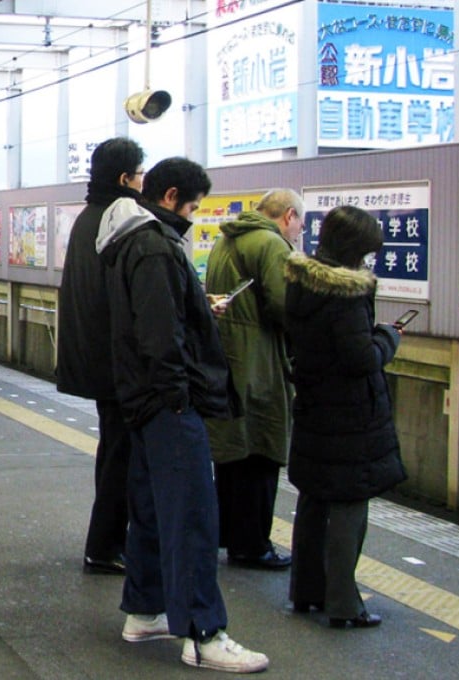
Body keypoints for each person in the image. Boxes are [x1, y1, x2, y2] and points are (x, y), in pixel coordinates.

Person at [98, 157, 268, 673]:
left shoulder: (128, 239)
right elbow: (158, 335)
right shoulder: (154, 245)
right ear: (170, 196)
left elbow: (158, 319)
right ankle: (202, 632)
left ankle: (146, 610)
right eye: (192, 205)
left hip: (142, 399)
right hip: (167, 402)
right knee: (192, 513)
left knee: (151, 508)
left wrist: (196, 304)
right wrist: (178, 396)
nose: (193, 216)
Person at [283, 205, 405, 629]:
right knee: (350, 503)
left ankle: (306, 592)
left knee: (315, 497)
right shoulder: (347, 296)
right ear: (355, 250)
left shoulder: (302, 283)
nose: (369, 262)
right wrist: (388, 338)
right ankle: (343, 604)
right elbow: (360, 359)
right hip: (348, 413)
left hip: (314, 404)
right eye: (368, 254)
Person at [56, 137, 145, 575]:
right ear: (126, 178)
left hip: (95, 356)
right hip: (115, 361)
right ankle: (105, 545)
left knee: (114, 449)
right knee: (120, 454)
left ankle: (106, 542)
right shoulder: (120, 219)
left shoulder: (89, 217)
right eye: (140, 172)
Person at [204, 189, 305, 570]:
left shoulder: (226, 239)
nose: (299, 233)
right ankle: (252, 545)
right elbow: (285, 306)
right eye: (300, 225)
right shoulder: (271, 244)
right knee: (260, 451)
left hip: (227, 357)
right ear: (289, 216)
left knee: (231, 455)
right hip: (258, 362)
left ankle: (229, 534)